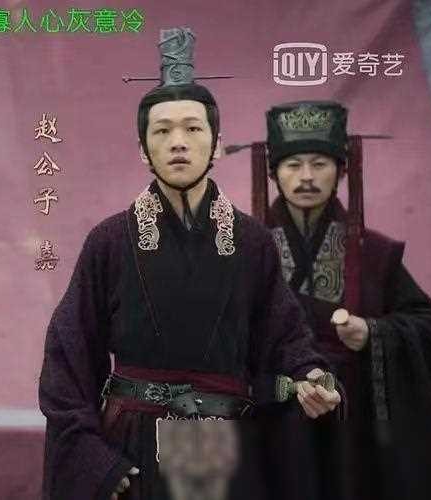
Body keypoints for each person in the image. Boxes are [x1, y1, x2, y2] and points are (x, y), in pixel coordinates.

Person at [38, 28, 341, 500]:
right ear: (143, 150)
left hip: (227, 444)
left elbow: (285, 339)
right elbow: (67, 357)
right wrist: (94, 462)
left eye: (193, 129)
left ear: (217, 145)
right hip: (134, 450)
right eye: (162, 131)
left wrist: (312, 377)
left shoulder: (252, 242)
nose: (178, 142)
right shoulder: (110, 241)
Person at [261, 100, 431, 500]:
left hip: (352, 428)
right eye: (293, 165)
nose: (307, 176)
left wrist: (373, 332)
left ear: (342, 170)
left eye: (320, 164)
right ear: (273, 173)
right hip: (273, 419)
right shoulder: (247, 251)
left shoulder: (374, 254)